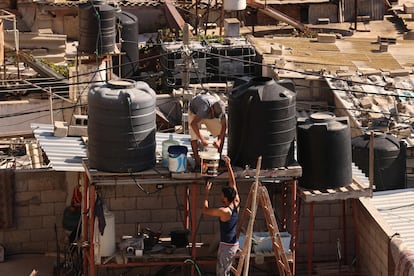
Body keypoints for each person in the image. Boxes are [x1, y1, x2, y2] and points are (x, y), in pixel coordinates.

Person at [202, 155, 240, 276]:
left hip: (227, 247)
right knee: (226, 270)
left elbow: (205, 210)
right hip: (233, 244)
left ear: (225, 198)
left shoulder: (224, 211)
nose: (220, 196)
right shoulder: (236, 202)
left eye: (222, 195)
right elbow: (233, 183)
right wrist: (228, 165)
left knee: (222, 272)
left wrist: (207, 193)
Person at [188, 93, 227, 167]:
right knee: (194, 136)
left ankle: (218, 157)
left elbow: (224, 127)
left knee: (220, 132)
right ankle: (197, 162)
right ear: (211, 108)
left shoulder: (222, 111)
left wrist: (219, 141)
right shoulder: (204, 108)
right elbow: (193, 124)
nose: (215, 116)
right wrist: (202, 139)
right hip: (195, 112)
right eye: (214, 114)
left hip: (206, 112)